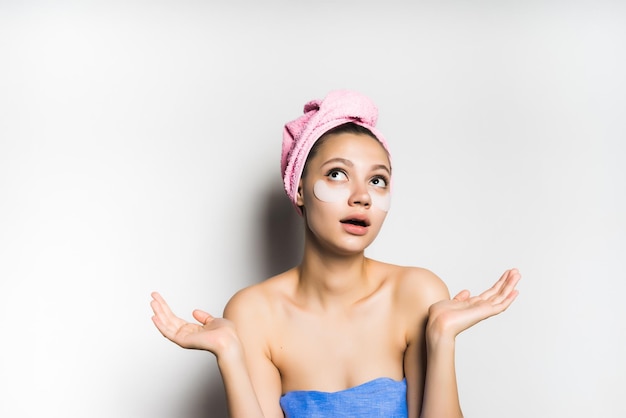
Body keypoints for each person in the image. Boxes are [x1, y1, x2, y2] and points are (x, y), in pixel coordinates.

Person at [150, 90, 521, 418]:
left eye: (378, 180)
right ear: (298, 189)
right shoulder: (253, 313)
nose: (361, 196)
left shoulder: (418, 294)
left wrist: (441, 337)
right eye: (338, 174)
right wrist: (230, 355)